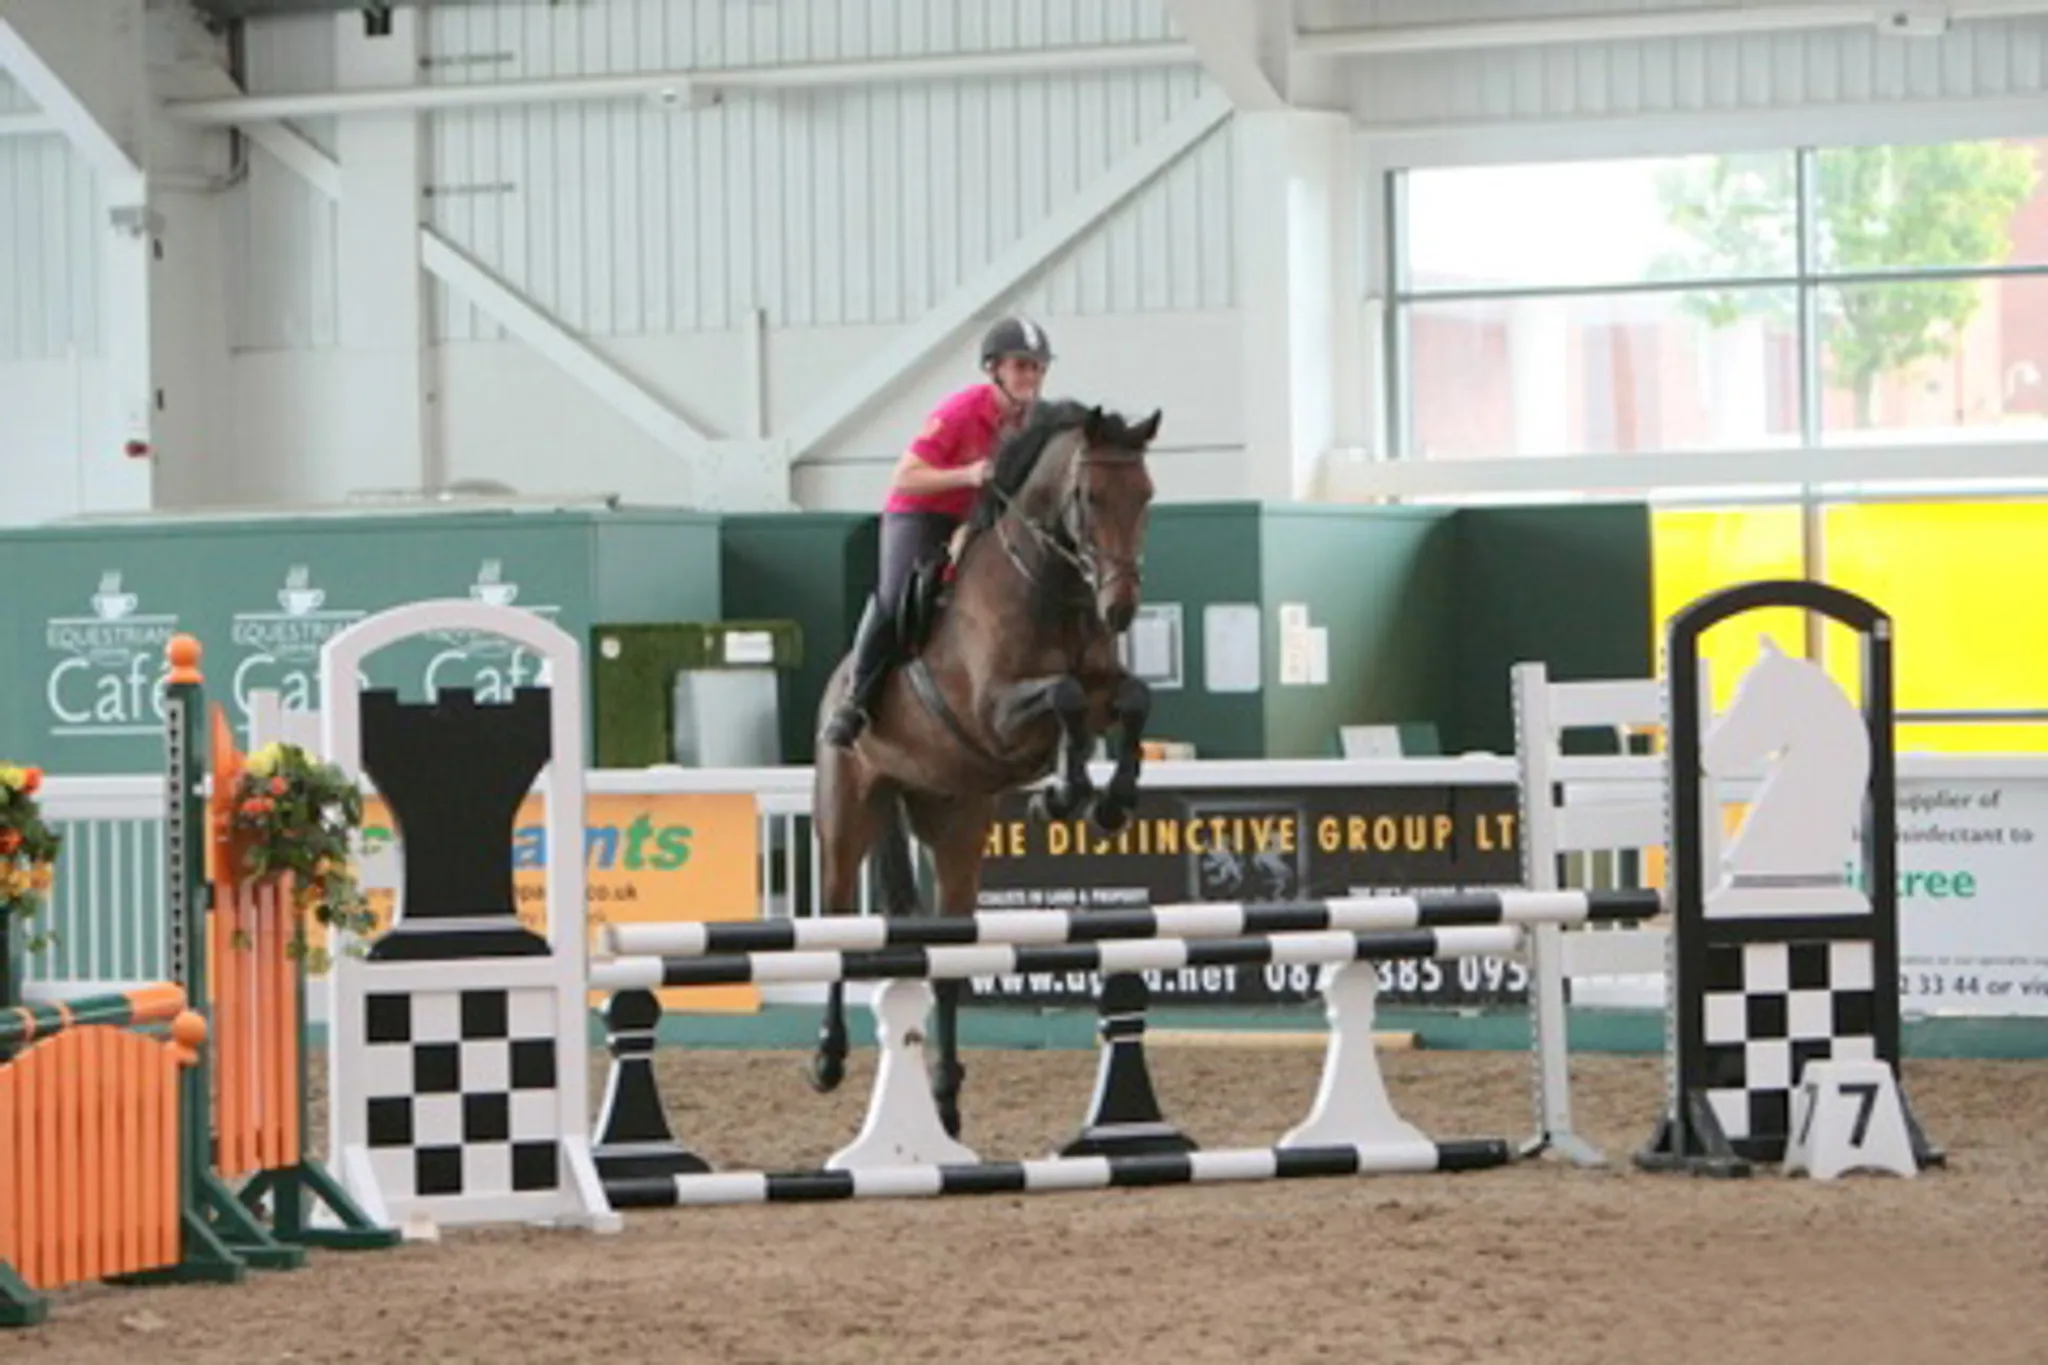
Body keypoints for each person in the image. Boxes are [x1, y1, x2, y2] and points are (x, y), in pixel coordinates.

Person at [820, 315, 1054, 748]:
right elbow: (904, 477)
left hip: (976, 518)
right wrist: (966, 475)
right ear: (994, 370)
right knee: (895, 596)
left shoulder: (1034, 423)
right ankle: (856, 700)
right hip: (921, 512)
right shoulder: (960, 411)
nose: (1031, 377)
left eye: (1037, 367)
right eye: (1021, 366)